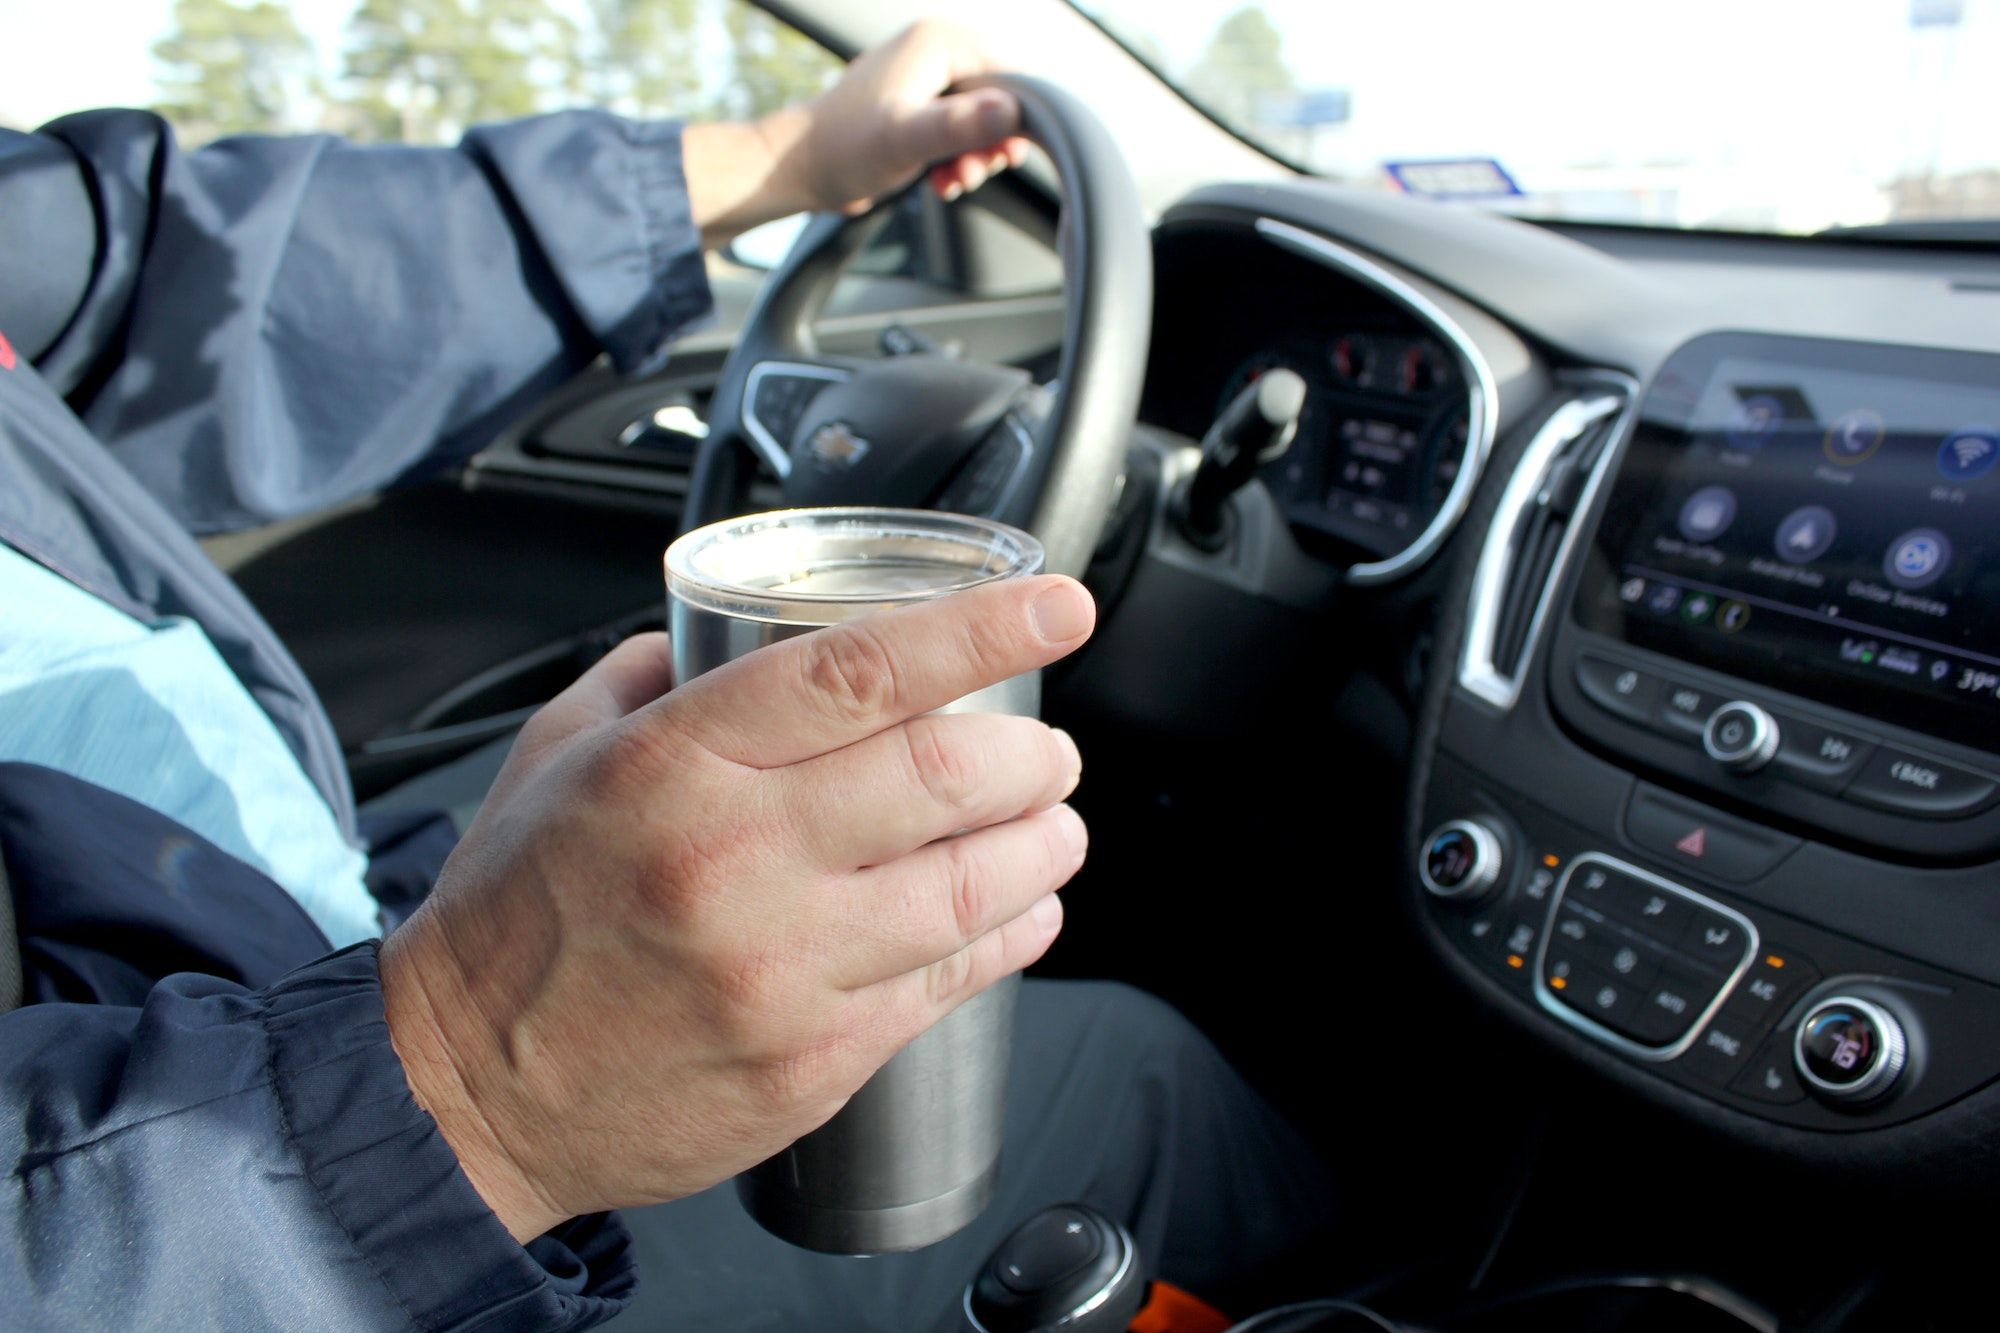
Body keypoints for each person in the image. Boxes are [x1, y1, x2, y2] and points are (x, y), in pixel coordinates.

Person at [0, 20, 1334, 1330]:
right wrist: (465, 1080)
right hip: (288, 1199)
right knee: (1148, 1083)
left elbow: (151, 277)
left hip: (286, 942)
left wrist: (777, 156)